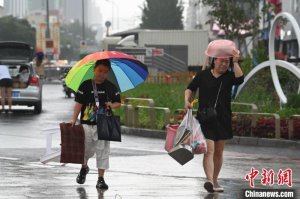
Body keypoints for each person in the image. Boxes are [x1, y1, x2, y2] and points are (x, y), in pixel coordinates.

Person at [184, 40, 244, 193]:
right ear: (213, 60)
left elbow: (240, 79)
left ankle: (215, 180)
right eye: (221, 61)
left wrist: (235, 61)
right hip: (205, 119)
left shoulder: (229, 76)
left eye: (227, 61)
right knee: (209, 150)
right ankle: (209, 181)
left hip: (223, 118)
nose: (224, 64)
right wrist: (187, 100)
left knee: (219, 151)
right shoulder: (202, 75)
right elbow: (190, 89)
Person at [70, 59, 121, 190]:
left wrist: (111, 104)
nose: (102, 74)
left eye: (105, 72)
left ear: (108, 72)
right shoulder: (85, 86)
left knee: (103, 151)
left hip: (104, 124)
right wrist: (73, 119)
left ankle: (101, 179)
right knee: (86, 149)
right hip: (86, 123)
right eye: (100, 70)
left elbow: (118, 103)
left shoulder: (111, 87)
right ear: (94, 69)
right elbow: (78, 104)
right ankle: (84, 167)